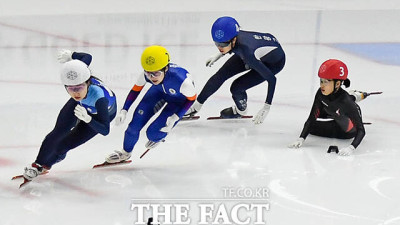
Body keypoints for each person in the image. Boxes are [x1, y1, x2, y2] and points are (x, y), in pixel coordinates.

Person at [22, 50, 117, 180]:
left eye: (79, 88)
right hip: (82, 105)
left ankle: (47, 165)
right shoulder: (79, 72)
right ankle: (37, 165)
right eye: (71, 89)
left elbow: (105, 130)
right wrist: (72, 55)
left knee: (63, 145)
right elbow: (87, 57)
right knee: (58, 132)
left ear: (87, 82)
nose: (76, 93)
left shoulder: (100, 98)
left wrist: (88, 119)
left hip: (98, 115)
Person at [185, 16, 286, 124]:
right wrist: (218, 55)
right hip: (257, 51)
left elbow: (272, 79)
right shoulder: (234, 38)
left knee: (236, 87)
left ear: (233, 40)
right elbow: (230, 46)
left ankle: (241, 110)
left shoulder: (248, 53)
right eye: (217, 44)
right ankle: (196, 107)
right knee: (220, 75)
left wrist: (267, 107)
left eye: (222, 45)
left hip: (274, 64)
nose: (219, 47)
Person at [105, 45, 196, 163]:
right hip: (157, 92)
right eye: (148, 74)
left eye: (156, 74)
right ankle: (126, 153)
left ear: (166, 69)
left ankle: (158, 137)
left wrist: (176, 117)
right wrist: (124, 110)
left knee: (153, 134)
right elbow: (135, 90)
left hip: (178, 101)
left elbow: (191, 99)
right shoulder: (147, 75)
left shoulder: (183, 82)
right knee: (133, 126)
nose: (152, 77)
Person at [288, 59, 367, 156]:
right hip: (334, 113)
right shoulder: (321, 93)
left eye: (326, 82)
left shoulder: (346, 102)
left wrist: (351, 148)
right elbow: (312, 118)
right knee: (311, 126)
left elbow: (361, 130)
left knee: (342, 104)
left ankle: (354, 96)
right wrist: (301, 138)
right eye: (321, 81)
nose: (322, 85)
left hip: (347, 131)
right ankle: (354, 95)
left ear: (337, 84)